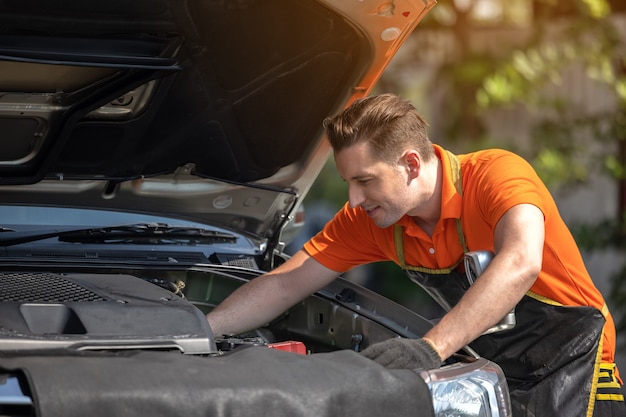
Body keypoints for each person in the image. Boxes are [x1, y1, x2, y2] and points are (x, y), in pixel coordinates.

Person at [207, 93, 625, 416]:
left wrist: (430, 349)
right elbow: (284, 283)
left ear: (410, 163)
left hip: (582, 375)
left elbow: (520, 262)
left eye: (365, 181)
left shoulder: (497, 176)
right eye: (348, 183)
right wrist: (199, 329)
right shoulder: (373, 220)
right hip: (502, 379)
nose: (353, 199)